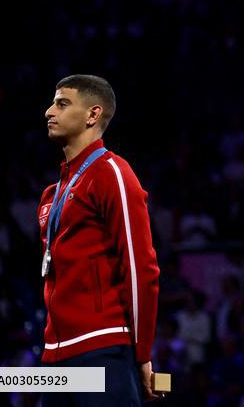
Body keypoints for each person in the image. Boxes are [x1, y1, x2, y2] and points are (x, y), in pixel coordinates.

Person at [39, 74, 162, 405]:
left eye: (62, 104)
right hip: (55, 356)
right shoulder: (54, 192)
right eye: (53, 103)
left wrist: (142, 353)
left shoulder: (112, 174)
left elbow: (141, 270)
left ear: (93, 115)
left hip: (101, 349)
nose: (50, 112)